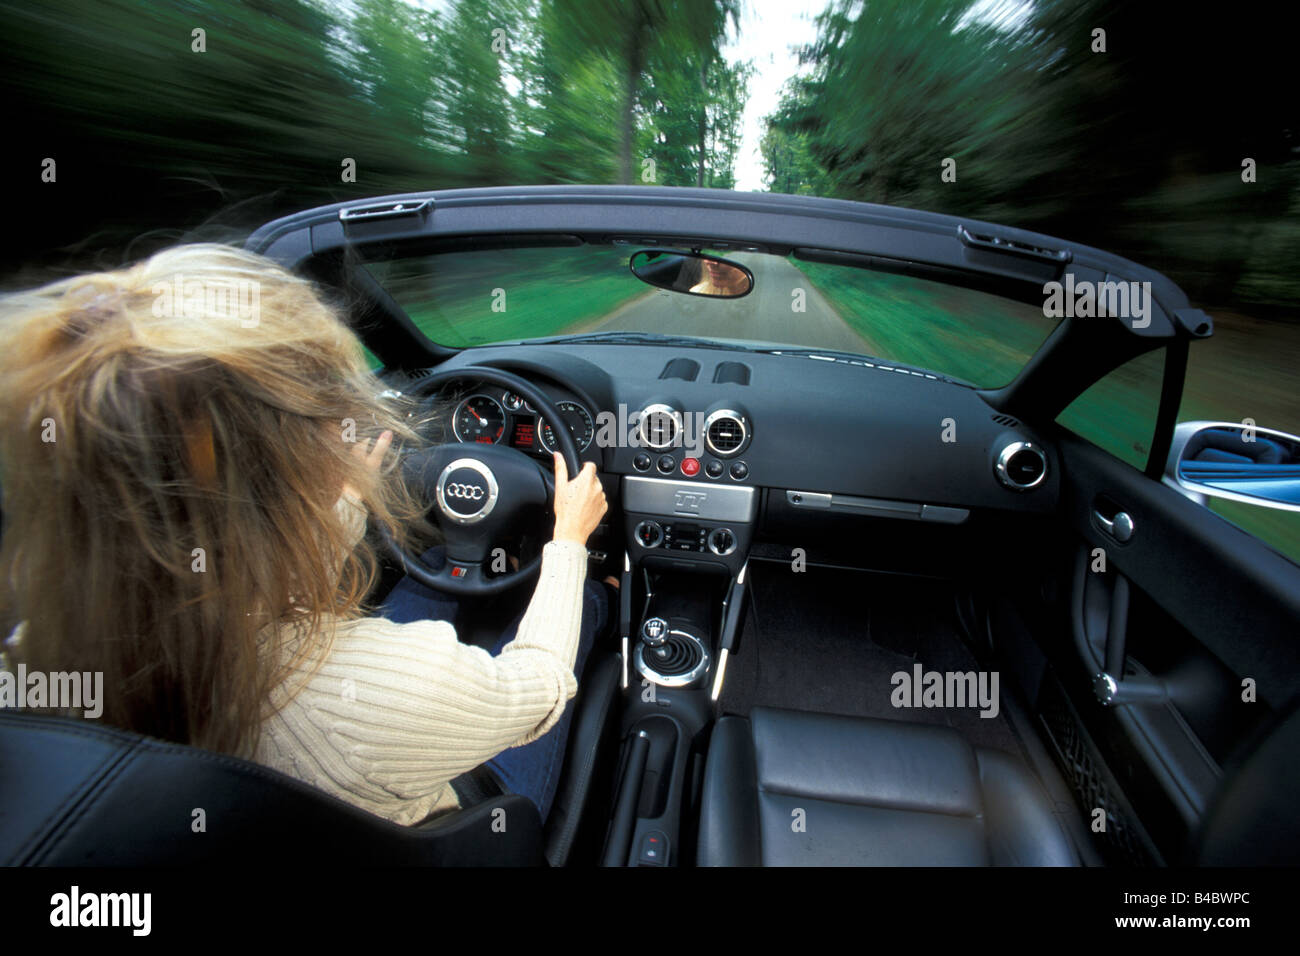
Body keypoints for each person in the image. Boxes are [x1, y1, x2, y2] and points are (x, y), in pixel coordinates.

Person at [0, 243, 612, 826]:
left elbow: (233, 555)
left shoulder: (31, 666)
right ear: (303, 464)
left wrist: (336, 509)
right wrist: (568, 543)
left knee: (428, 576)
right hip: (470, 822)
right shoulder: (378, 697)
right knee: (583, 602)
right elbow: (538, 689)